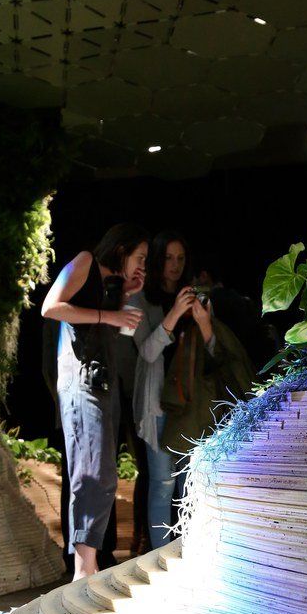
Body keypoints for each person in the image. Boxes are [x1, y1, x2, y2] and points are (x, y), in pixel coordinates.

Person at [42, 223, 148, 579]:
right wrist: (111, 314)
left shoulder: (111, 286)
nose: (142, 265)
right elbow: (51, 308)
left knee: (104, 474)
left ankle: (88, 562)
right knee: (91, 471)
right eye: (140, 257)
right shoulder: (85, 261)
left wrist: (124, 298)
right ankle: (83, 566)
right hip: (81, 383)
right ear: (121, 250)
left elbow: (107, 329)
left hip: (103, 384)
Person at [133, 232, 202, 548]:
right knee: (162, 482)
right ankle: (159, 557)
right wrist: (174, 314)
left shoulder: (195, 297)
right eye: (168, 258)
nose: (174, 266)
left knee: (190, 483)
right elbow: (146, 352)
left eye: (181, 259)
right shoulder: (141, 299)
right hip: (158, 404)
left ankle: (189, 550)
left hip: (191, 405)